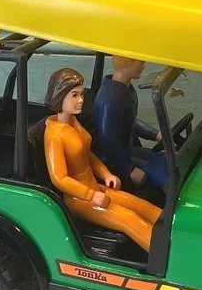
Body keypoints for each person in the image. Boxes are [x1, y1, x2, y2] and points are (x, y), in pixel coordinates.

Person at [43, 68, 161, 253]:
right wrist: (91, 195)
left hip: (95, 187)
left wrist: (105, 174)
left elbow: (87, 154)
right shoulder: (54, 135)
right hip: (79, 198)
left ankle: (179, 236)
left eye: (81, 94)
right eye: (74, 95)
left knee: (141, 205)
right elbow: (59, 178)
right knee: (129, 219)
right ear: (59, 96)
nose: (81, 100)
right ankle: (168, 258)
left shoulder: (73, 123)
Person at [93, 55, 168, 189]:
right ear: (126, 62)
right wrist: (129, 168)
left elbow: (128, 120)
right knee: (165, 178)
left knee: (166, 161)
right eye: (140, 61)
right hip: (115, 158)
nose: (144, 65)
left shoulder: (125, 90)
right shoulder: (109, 99)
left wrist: (155, 134)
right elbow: (108, 139)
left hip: (127, 149)